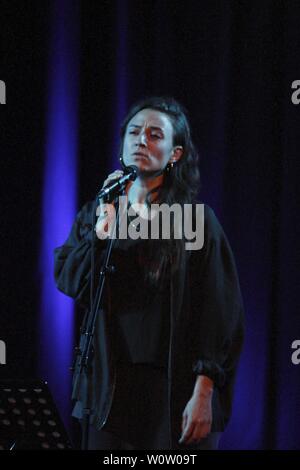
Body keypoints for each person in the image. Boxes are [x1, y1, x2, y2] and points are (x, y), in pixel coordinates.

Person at [54, 96, 245, 450]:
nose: (141, 140)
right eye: (134, 132)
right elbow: (70, 280)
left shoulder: (196, 221)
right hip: (110, 393)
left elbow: (221, 316)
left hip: (174, 394)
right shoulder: (99, 211)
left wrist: (204, 392)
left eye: (155, 134)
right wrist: (100, 231)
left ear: (175, 154)